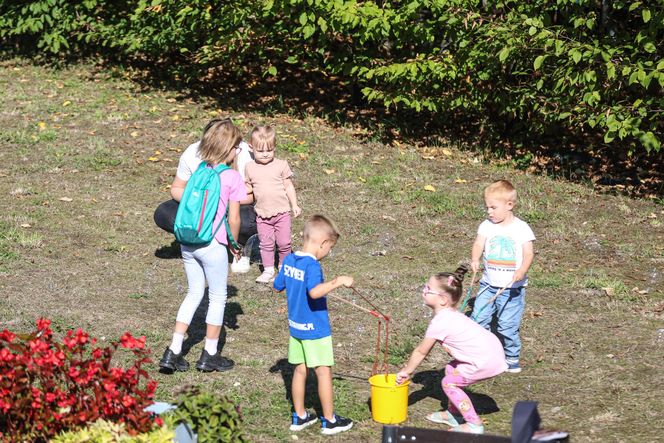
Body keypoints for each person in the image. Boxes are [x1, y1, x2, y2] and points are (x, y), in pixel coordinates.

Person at [159, 119, 247, 373]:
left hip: (188, 242)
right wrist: (235, 245)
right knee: (218, 296)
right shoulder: (231, 177)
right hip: (213, 244)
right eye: (237, 147)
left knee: (194, 292)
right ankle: (209, 354)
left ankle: (173, 350)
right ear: (229, 149)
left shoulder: (198, 171)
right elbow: (234, 217)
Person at [396, 265, 507, 435]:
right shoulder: (451, 314)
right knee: (450, 369)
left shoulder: (440, 322)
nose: (424, 290)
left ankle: (474, 424)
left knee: (449, 383)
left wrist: (407, 371)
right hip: (492, 353)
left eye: (428, 289)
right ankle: (453, 414)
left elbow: (421, 352)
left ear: (442, 300)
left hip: (486, 361)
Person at [273, 215, 354, 435]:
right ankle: (329, 421)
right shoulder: (313, 266)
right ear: (323, 243)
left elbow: (277, 286)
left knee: (299, 371)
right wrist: (337, 281)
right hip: (315, 330)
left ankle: (299, 416)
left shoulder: (289, 260)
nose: (328, 253)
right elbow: (314, 291)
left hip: (296, 327)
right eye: (330, 248)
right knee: (323, 372)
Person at [153, 118, 256, 273]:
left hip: (234, 206)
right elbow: (176, 188)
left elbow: (254, 195)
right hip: (200, 206)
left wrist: (220, 202)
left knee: (247, 221)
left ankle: (234, 244)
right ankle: (200, 238)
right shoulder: (193, 153)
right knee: (164, 213)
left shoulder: (242, 152)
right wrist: (202, 201)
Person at [470, 179, 535, 374]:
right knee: (478, 319)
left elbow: (529, 253)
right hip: (488, 285)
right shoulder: (486, 226)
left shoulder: (521, 228)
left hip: (511, 288)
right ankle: (488, 353)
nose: (489, 212)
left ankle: (511, 356)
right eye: (487, 207)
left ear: (509, 205)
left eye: (493, 207)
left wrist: (522, 270)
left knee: (507, 325)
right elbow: (478, 244)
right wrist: (475, 258)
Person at [245, 125, 301, 283]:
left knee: (284, 242)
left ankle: (285, 267)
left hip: (282, 212)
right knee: (266, 243)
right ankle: (268, 270)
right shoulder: (249, 167)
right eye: (260, 151)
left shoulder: (281, 165)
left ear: (274, 148)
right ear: (251, 148)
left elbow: (288, 186)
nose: (265, 154)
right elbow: (249, 187)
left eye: (269, 150)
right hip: (262, 214)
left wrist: (294, 205)